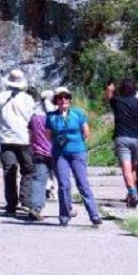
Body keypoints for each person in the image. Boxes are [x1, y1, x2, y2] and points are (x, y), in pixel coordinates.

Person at [45, 86, 102, 226]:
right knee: (64, 185)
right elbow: (48, 136)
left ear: (69, 99)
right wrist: (58, 144)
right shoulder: (51, 117)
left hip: (77, 152)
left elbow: (86, 133)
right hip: (60, 154)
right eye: (60, 97)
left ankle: (94, 214)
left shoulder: (78, 114)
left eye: (66, 97)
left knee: (83, 183)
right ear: (56, 101)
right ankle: (64, 216)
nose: (63, 100)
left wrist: (79, 145)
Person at [0, 69, 36, 215]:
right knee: (28, 170)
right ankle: (26, 201)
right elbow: (33, 119)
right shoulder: (28, 99)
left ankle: (11, 205)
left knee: (9, 171)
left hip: (6, 139)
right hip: (24, 139)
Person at [105, 77, 138, 208]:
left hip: (122, 137)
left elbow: (109, 97)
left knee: (126, 169)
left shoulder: (117, 101)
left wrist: (110, 89)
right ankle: (131, 195)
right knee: (134, 169)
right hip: (137, 138)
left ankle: (132, 193)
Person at [25, 89, 56, 220]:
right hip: (55, 152)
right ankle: (67, 208)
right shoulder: (54, 116)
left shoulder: (34, 117)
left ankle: (35, 208)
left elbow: (30, 135)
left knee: (38, 181)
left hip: (38, 152)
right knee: (62, 180)